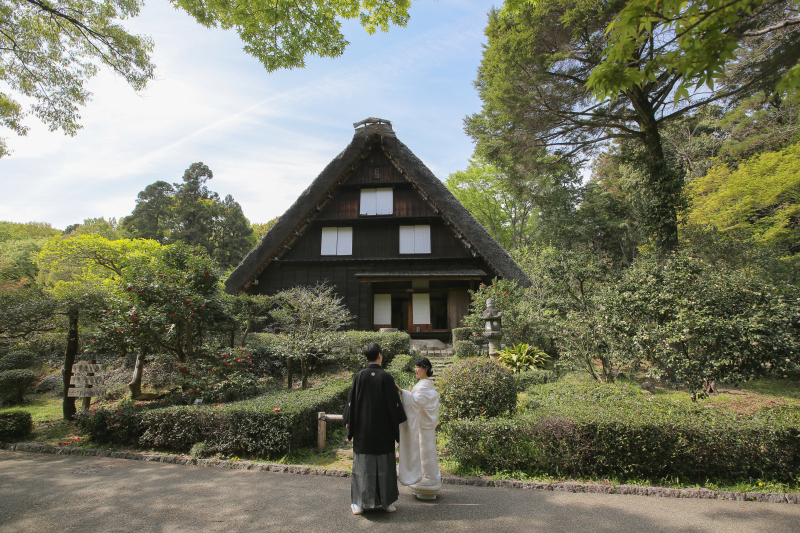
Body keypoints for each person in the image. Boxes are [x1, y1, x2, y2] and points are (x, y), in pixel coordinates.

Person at [343, 343, 407, 515]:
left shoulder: (359, 376)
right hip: (384, 430)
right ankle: (387, 503)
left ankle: (359, 503)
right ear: (379, 355)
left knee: (362, 466)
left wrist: (349, 420)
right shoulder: (386, 377)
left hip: (363, 430)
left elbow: (351, 402)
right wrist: (400, 419)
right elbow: (394, 405)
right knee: (385, 465)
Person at [396, 357, 442, 499]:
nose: (415, 370)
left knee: (425, 455)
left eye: (418, 367)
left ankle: (427, 483)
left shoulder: (423, 386)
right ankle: (421, 483)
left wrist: (402, 391)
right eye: (415, 367)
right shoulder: (424, 385)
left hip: (424, 428)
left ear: (425, 369)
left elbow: (416, 402)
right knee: (424, 454)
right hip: (423, 428)